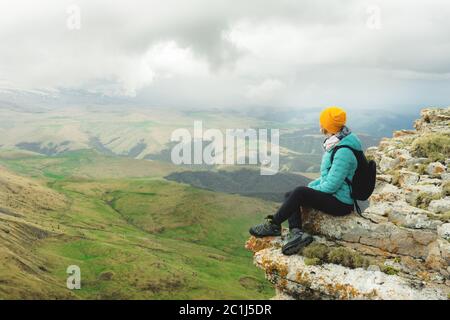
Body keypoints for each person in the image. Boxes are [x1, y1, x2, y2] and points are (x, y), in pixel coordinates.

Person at [249, 106, 362, 255]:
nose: (320, 125)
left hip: (341, 203)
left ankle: (274, 225)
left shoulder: (343, 151)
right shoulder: (338, 142)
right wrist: (310, 188)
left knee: (299, 192)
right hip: (335, 196)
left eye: (322, 122)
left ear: (327, 125)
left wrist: (307, 192)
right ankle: (296, 233)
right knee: (292, 194)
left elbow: (332, 185)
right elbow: (327, 177)